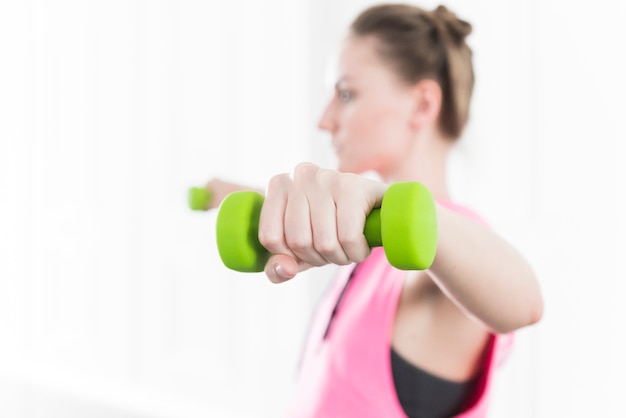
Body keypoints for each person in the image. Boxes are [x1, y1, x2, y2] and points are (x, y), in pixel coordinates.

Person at [202, 4, 543, 417]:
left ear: (422, 105)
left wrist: (386, 200)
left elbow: (523, 302)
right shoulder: (373, 243)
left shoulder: (440, 255)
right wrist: (250, 199)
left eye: (346, 94)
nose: (324, 121)